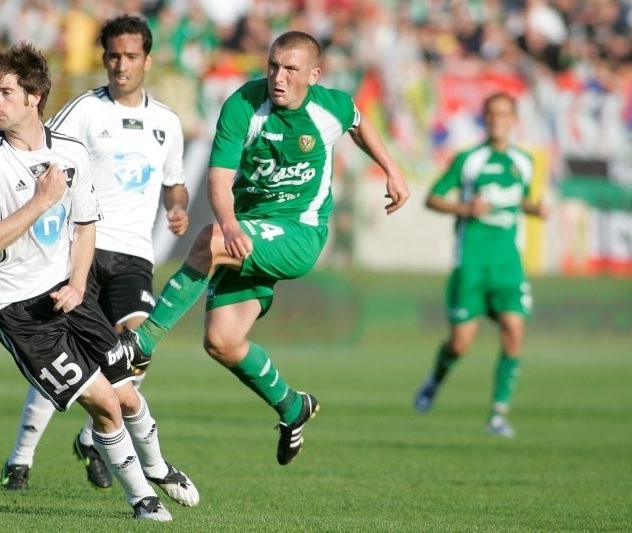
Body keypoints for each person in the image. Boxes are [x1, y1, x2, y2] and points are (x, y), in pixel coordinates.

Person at [123, 30, 411, 465]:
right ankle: (293, 408)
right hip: (250, 227)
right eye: (273, 65)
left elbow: (358, 121)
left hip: (299, 232)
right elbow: (219, 181)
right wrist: (233, 223)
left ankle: (142, 343)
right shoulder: (243, 105)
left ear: (314, 74)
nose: (278, 76)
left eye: (291, 69)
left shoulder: (327, 107)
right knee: (222, 341)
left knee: (210, 241)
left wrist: (392, 169)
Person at [0, 42, 196, 522]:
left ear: (35, 97)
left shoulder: (70, 151)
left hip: (69, 294)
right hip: (18, 309)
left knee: (128, 392)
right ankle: (141, 502)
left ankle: (159, 469)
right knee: (106, 404)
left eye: (5, 92)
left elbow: (86, 223)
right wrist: (42, 200)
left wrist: (77, 283)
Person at [413, 92, 549, 438]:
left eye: (503, 114)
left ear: (513, 118)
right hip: (471, 262)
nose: (497, 120)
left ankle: (498, 414)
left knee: (514, 333)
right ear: (485, 119)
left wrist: (537, 210)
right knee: (460, 343)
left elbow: (522, 200)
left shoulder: (524, 161)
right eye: (491, 114)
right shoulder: (469, 160)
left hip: (508, 264)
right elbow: (433, 197)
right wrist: (464, 210)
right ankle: (434, 380)